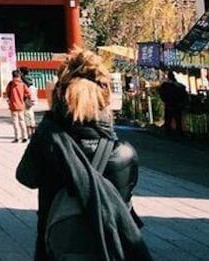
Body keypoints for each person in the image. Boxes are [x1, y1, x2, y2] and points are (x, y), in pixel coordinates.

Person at [16, 48, 150, 261]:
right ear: (105, 98)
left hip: (56, 249)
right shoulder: (124, 153)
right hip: (109, 249)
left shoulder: (49, 142)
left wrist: (51, 120)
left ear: (60, 94)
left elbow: (26, 177)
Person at [158, 71, 187, 135]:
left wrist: (165, 100)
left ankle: (169, 131)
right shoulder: (177, 85)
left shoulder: (166, 85)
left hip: (170, 104)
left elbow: (161, 93)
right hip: (176, 104)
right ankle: (178, 132)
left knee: (169, 119)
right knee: (177, 119)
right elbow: (184, 92)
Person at [5, 69, 28, 142]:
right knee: (22, 121)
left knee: (15, 122)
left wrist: (9, 100)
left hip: (13, 105)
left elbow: (7, 93)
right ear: (19, 76)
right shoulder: (23, 84)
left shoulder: (11, 84)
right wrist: (24, 99)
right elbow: (28, 93)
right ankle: (25, 137)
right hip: (21, 105)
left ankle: (17, 137)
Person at [22, 71, 38, 137]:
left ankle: (29, 134)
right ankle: (33, 132)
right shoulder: (34, 87)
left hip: (27, 103)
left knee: (26, 118)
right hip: (33, 102)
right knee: (31, 117)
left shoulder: (26, 88)